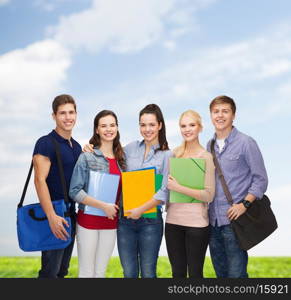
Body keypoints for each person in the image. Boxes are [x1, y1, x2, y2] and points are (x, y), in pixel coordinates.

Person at [207, 95, 268, 278]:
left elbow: (261, 180)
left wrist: (244, 204)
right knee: (221, 276)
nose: (220, 115)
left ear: (233, 115)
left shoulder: (246, 143)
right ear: (211, 116)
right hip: (213, 223)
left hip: (234, 222)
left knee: (237, 276)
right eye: (216, 112)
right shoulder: (208, 146)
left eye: (225, 111)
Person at [155, 110, 215, 278]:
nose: (187, 129)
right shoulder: (173, 154)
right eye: (183, 126)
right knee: (177, 273)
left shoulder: (206, 157)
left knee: (195, 273)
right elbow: (162, 184)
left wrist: (179, 187)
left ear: (200, 128)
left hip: (197, 225)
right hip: (173, 223)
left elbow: (209, 195)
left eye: (192, 125)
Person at [117, 104, 172, 278]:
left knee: (148, 273)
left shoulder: (167, 155)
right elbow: (110, 159)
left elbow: (165, 191)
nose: (147, 129)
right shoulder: (130, 148)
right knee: (129, 273)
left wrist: (140, 210)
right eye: (143, 125)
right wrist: (90, 147)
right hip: (125, 221)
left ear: (160, 125)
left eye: (151, 125)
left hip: (150, 221)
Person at [69, 110, 125, 278]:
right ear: (97, 130)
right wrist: (103, 206)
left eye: (112, 125)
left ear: (117, 128)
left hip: (111, 223)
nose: (109, 129)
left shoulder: (122, 159)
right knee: (86, 273)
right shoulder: (87, 156)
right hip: (88, 222)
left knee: (100, 273)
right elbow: (74, 191)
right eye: (103, 126)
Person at [33, 94, 82, 278]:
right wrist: (51, 216)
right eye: (62, 113)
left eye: (71, 112)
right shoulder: (45, 143)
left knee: (62, 271)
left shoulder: (76, 147)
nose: (68, 117)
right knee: (49, 273)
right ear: (54, 116)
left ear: (76, 114)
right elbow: (39, 181)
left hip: (71, 215)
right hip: (54, 214)